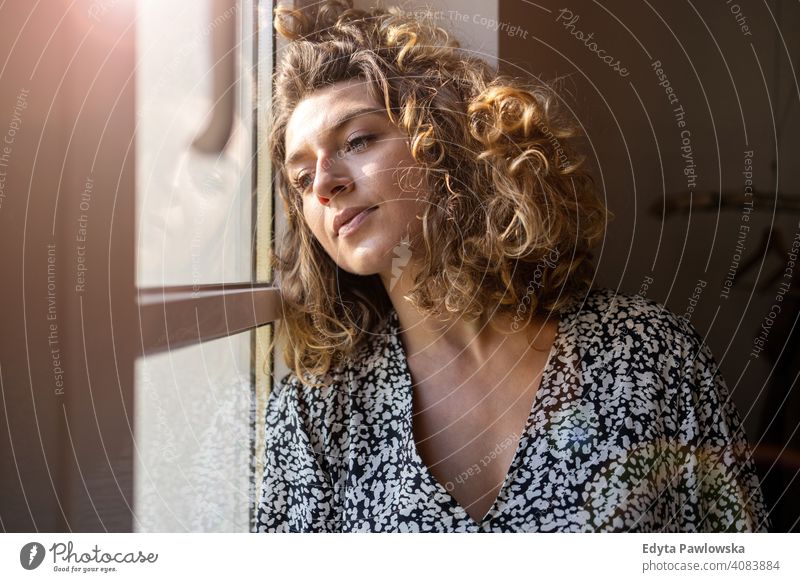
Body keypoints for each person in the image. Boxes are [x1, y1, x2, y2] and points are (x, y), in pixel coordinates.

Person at [256, 0, 769, 532]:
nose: (323, 185)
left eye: (358, 140)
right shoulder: (316, 418)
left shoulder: (648, 355)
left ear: (445, 145)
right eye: (300, 178)